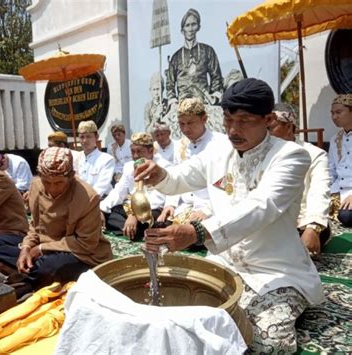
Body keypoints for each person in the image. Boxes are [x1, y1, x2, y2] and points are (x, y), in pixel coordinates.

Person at [135, 78, 324, 353]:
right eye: (227, 119)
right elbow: (181, 176)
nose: (234, 129)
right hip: (224, 263)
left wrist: (197, 232)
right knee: (180, 321)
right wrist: (159, 173)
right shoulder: (219, 152)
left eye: (245, 120)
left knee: (268, 344)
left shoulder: (291, 156)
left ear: (268, 119)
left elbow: (262, 206)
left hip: (275, 270)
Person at [0, 147, 113, 293]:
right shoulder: (36, 186)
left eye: (58, 183)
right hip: (46, 246)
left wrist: (41, 249)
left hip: (80, 254)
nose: (51, 188)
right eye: (46, 182)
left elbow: (86, 244)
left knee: (47, 267)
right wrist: (26, 248)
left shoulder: (87, 197)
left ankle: (23, 274)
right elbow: (35, 226)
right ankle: (27, 270)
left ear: (71, 176)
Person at [269, 107, 331, 255]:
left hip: (302, 221)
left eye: (270, 128)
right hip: (268, 221)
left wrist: (313, 228)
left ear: (289, 127)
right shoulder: (261, 152)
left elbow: (319, 190)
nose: (266, 133)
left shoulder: (315, 154)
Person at [158, 98, 228, 224]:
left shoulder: (221, 143)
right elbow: (175, 175)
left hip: (210, 209)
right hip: (184, 207)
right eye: (181, 124)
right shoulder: (180, 146)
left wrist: (207, 210)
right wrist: (170, 205)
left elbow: (225, 182)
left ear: (204, 119)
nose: (185, 129)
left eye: (190, 123)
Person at [100, 133, 169, 241]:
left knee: (156, 222)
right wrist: (101, 210)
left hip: (151, 209)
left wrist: (136, 215)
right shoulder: (129, 166)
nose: (135, 156)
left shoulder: (163, 166)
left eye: (139, 151)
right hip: (131, 206)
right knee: (110, 212)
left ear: (151, 151)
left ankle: (131, 229)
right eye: (133, 151)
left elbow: (158, 200)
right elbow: (119, 191)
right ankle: (132, 230)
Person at [165, 8, 223, 109]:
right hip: (182, 106)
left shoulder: (208, 51)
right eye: (187, 25)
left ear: (198, 27)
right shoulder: (175, 57)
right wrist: (173, 102)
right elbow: (170, 84)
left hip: (204, 104)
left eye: (193, 24)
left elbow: (216, 77)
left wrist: (214, 96)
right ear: (182, 30)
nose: (190, 29)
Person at [328, 94, 352, 227]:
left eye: (339, 112)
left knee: (346, 216)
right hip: (338, 193)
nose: (334, 117)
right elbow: (330, 171)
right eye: (332, 113)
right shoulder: (335, 139)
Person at [75, 120, 115, 198]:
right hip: (80, 200)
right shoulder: (76, 158)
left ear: (96, 137)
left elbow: (100, 188)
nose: (85, 140)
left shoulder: (107, 159)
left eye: (88, 136)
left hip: (100, 200)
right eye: (82, 137)